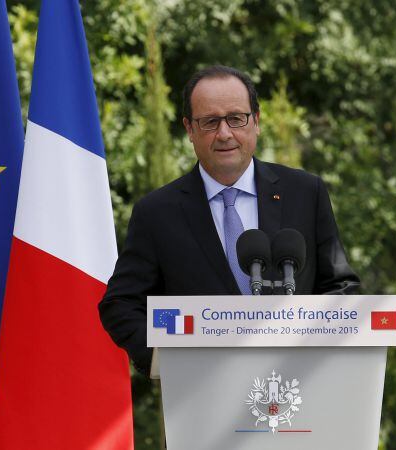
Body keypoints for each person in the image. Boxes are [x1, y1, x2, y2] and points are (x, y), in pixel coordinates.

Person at [99, 65, 360, 376]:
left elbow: (342, 287)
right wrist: (166, 358)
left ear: (256, 122)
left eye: (236, 118)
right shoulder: (157, 212)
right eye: (210, 122)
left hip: (296, 391)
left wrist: (311, 338)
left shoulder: (305, 193)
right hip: (200, 396)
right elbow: (120, 304)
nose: (225, 134)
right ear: (189, 129)